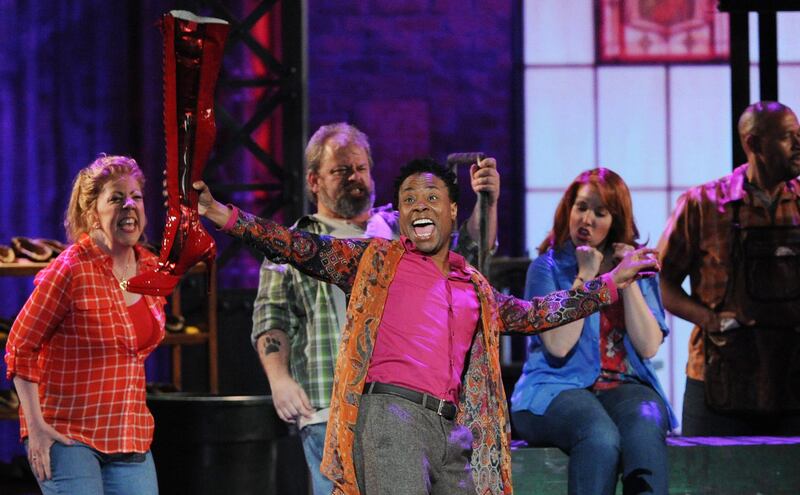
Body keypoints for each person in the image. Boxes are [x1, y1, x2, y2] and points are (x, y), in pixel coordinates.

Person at [195, 158, 659, 494]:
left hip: (452, 427)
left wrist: (607, 285)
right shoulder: (375, 260)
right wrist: (225, 217)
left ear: (453, 211)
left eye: (432, 197)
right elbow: (297, 246)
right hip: (391, 416)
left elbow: (534, 313)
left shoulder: (472, 284)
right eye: (409, 199)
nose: (420, 205)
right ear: (400, 216)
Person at [250, 123, 500, 495]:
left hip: (411, 408)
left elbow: (471, 254)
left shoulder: (400, 229)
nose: (354, 177)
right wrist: (279, 379)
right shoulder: (294, 244)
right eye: (341, 170)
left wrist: (487, 201)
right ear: (315, 181)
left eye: (361, 168)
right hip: (328, 406)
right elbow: (271, 318)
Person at [4, 155, 165, 495]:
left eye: (136, 197)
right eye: (116, 198)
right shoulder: (72, 269)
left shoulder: (151, 269)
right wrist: (35, 428)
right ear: (93, 213)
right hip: (67, 433)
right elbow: (20, 345)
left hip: (128, 434)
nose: (129, 206)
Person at [510, 168, 676, 495]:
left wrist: (624, 278)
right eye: (581, 207)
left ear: (615, 220)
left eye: (600, 213)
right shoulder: (547, 268)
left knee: (645, 426)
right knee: (599, 436)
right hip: (555, 387)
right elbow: (558, 346)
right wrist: (585, 277)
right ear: (568, 210)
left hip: (623, 385)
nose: (587, 219)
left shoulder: (636, 265)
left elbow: (648, 346)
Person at [658, 101, 800, 435]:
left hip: (792, 374)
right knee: (709, 483)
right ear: (753, 144)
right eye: (787, 137)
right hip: (719, 375)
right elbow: (659, 281)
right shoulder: (702, 204)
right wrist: (709, 319)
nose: (798, 145)